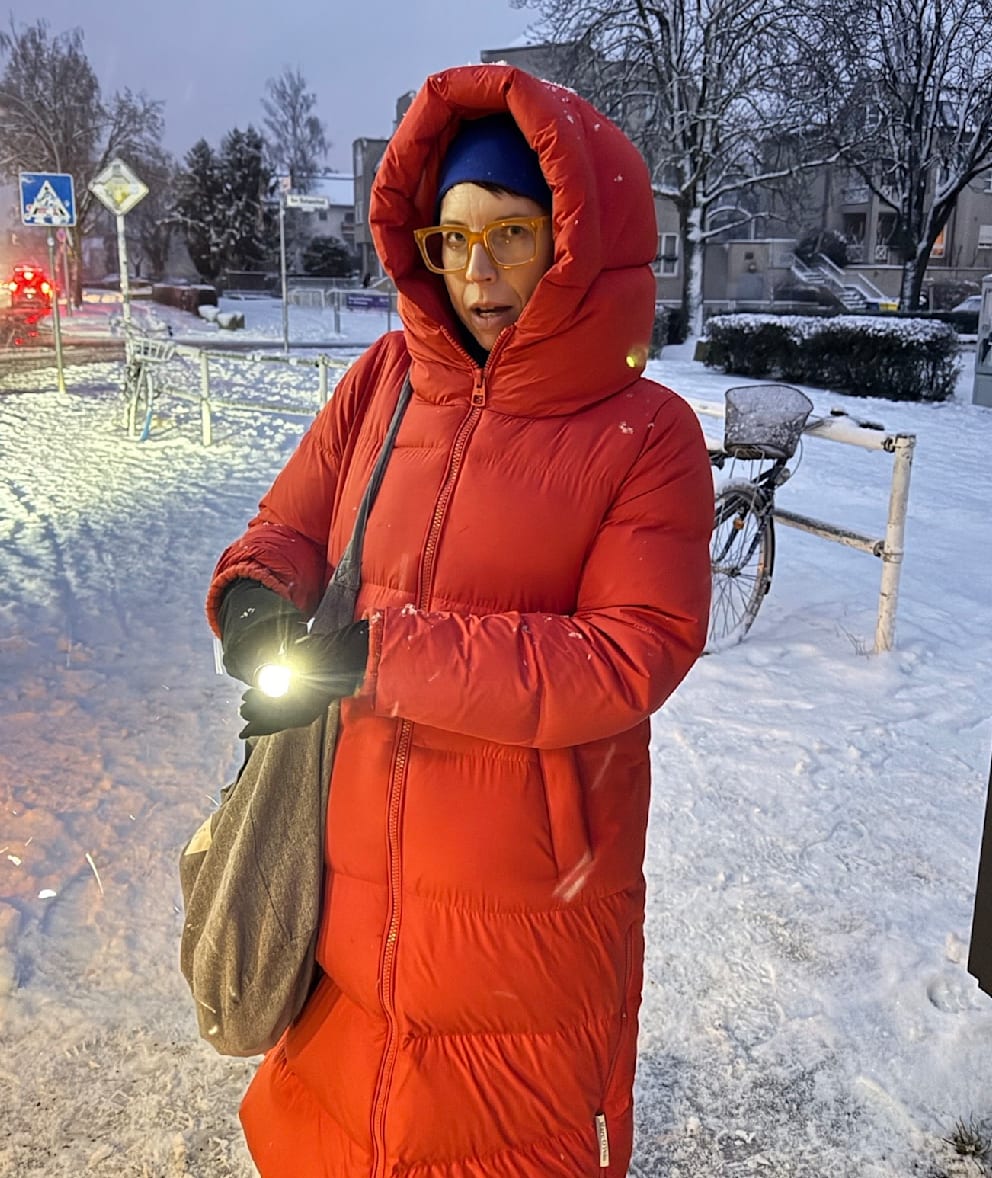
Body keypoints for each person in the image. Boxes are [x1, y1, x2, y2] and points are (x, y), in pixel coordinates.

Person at [207, 64, 714, 1178]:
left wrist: (384, 654)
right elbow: (288, 527)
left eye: (511, 234)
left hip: (524, 907)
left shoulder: (647, 434)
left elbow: (628, 652)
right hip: (346, 876)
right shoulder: (386, 380)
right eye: (451, 239)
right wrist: (253, 597)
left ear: (572, 240)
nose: (477, 272)